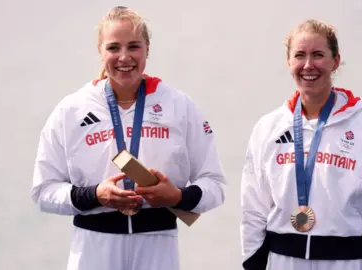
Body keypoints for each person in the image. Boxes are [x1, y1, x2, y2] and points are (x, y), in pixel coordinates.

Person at [30, 6, 226, 270]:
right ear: (100, 51)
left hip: (157, 245)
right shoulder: (71, 110)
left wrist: (178, 197)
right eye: (113, 48)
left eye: (134, 46)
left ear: (147, 49)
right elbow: (43, 191)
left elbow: (215, 184)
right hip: (94, 246)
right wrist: (95, 195)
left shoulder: (179, 106)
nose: (124, 57)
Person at [240, 19, 362, 270]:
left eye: (318, 55)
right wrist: (252, 262)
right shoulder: (268, 127)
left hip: (345, 262)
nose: (308, 65)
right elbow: (253, 208)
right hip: (284, 261)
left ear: (335, 61)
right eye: (300, 55)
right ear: (288, 62)